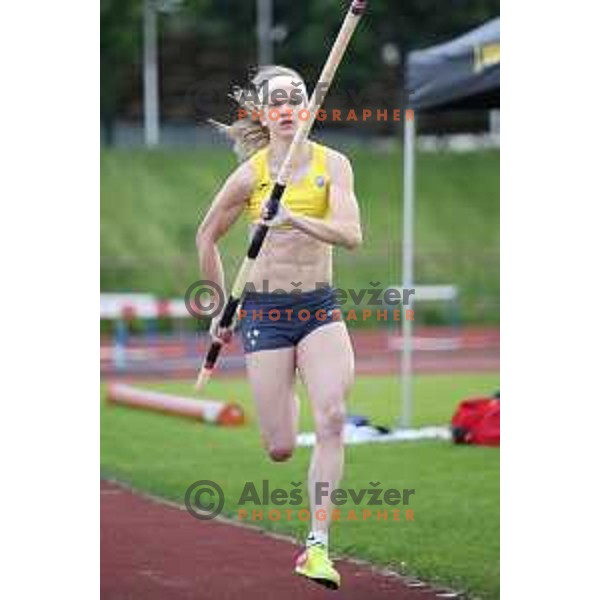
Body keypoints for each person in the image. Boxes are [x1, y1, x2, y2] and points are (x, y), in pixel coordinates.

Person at [196, 65, 362, 590]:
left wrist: (293, 217)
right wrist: (221, 309)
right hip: (265, 316)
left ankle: (316, 547)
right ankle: (286, 391)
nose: (288, 106)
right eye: (277, 100)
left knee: (334, 417)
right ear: (264, 116)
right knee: (281, 447)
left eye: (297, 96)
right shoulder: (251, 174)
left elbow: (351, 234)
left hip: (318, 309)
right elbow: (206, 237)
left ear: (309, 106)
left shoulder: (332, 165)